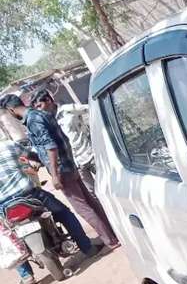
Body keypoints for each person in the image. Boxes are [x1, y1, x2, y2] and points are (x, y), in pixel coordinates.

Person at [5, 89, 119, 248]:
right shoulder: (40, 114)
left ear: (11, 110)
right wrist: (39, 159)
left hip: (62, 170)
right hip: (69, 164)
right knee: (90, 202)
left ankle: (110, 240)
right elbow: (56, 142)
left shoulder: (33, 121)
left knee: (83, 208)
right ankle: (114, 233)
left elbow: (51, 147)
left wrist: (54, 174)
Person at [0, 132, 97, 284]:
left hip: (3, 206)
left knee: (9, 238)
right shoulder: (8, 146)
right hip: (30, 195)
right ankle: (87, 247)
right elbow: (31, 155)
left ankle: (26, 276)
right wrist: (43, 162)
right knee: (64, 213)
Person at [55, 98, 98, 195]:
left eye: (39, 105)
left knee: (107, 181)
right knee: (93, 192)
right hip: (76, 162)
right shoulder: (48, 121)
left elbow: (91, 108)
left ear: (48, 101)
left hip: (89, 153)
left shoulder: (67, 109)